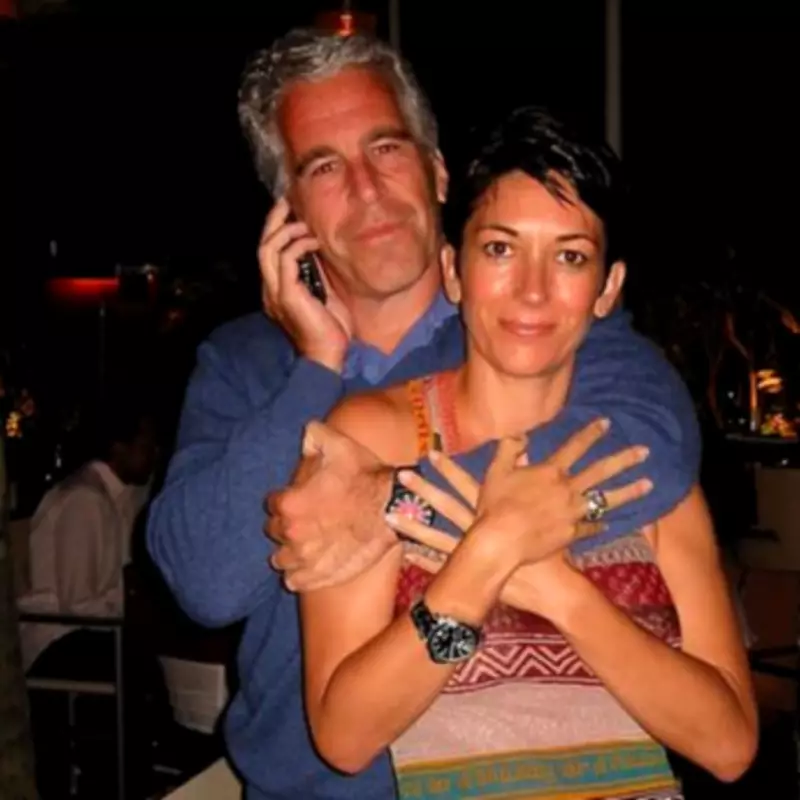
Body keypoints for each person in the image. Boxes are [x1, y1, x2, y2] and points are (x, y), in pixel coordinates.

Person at [146, 28, 700, 799]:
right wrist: (315, 367)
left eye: (386, 148)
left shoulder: (531, 322)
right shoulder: (245, 363)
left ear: (437, 170)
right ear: (289, 209)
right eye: (324, 167)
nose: (367, 188)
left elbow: (656, 452)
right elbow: (207, 583)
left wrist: (390, 499)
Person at [292, 106, 757, 799]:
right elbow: (344, 735)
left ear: (607, 289)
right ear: (453, 271)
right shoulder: (374, 442)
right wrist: (484, 559)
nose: (533, 290)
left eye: (570, 257)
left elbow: (729, 745)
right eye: (501, 250)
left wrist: (558, 591)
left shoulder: (635, 454)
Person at [18, 400, 158, 798]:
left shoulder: (122, 498)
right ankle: (116, 782)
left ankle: (131, 777)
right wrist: (132, 605)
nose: (153, 453)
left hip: (86, 631)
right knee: (131, 664)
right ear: (118, 448)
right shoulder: (84, 499)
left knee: (143, 660)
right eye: (146, 444)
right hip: (54, 637)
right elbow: (78, 605)